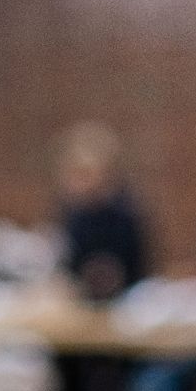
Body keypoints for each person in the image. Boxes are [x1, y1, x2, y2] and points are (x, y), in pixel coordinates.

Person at [54, 121, 149, 303]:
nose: (76, 183)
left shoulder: (124, 214)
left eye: (84, 174)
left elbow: (137, 269)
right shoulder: (73, 214)